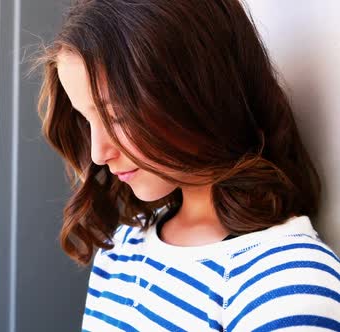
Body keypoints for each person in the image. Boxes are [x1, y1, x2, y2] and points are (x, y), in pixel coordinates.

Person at [28, 0, 340, 331]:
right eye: (85, 118)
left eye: (117, 116)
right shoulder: (122, 246)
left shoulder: (287, 286)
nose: (98, 153)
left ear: (198, 92)